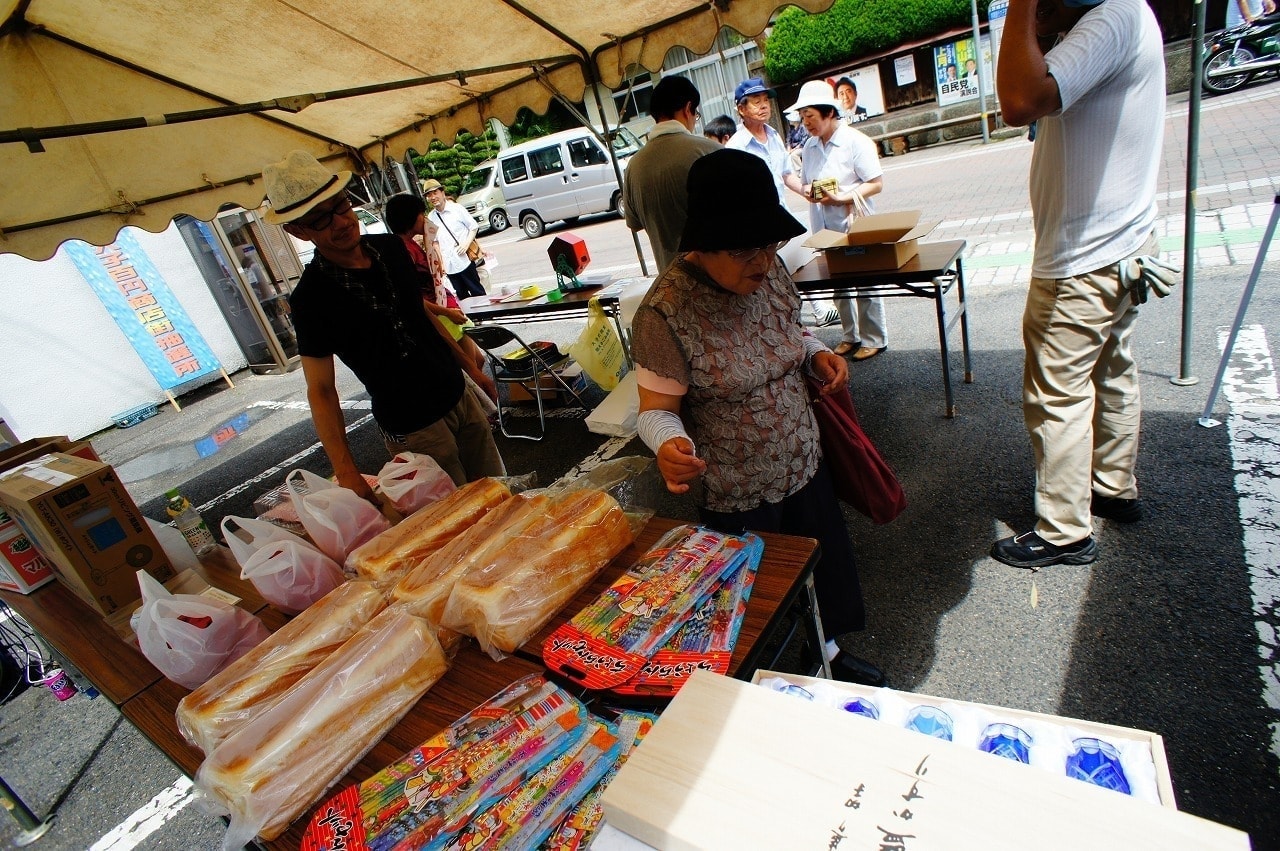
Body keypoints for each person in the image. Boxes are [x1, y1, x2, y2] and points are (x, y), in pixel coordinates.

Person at [631, 148, 885, 686]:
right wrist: (668, 447)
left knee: (823, 570)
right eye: (745, 249)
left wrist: (816, 353)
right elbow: (655, 411)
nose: (763, 261)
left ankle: (827, 651)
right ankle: (762, 685)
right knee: (754, 601)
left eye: (770, 243)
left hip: (804, 459)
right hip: (738, 487)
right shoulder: (665, 313)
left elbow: (790, 333)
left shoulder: (767, 273)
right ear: (701, 244)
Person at [990, 0, 1166, 569]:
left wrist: (1019, 8)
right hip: (1122, 245)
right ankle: (1113, 485)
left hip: (1083, 258)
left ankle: (1065, 528)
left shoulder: (1112, 16)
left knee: (1057, 394)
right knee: (1113, 367)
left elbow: (1018, 98)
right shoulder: (1125, 16)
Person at [264, 151, 504, 496]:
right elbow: (320, 390)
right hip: (413, 427)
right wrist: (346, 470)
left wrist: (472, 371)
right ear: (297, 231)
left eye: (342, 205)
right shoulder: (311, 298)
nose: (341, 221)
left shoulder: (391, 248)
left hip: (458, 395)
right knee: (457, 522)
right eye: (320, 219)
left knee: (500, 492)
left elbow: (419, 317)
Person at [725, 77, 836, 327]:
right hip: (757, 225)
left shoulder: (774, 135)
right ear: (741, 109)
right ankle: (783, 324)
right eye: (756, 101)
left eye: (765, 100)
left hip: (781, 216)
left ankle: (814, 312)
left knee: (799, 260)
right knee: (770, 275)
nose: (764, 105)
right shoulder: (736, 146)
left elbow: (786, 175)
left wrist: (806, 190)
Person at [790, 80, 887, 361]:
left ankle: (874, 338)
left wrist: (842, 197)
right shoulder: (809, 147)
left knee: (865, 281)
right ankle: (850, 335)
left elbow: (876, 183)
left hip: (855, 223)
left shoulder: (855, 142)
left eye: (810, 116)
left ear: (829, 113)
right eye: (803, 117)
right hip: (825, 227)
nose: (806, 122)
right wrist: (810, 192)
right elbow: (807, 183)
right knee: (839, 282)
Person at [623, 76, 721, 273]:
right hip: (717, 282)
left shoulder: (633, 167)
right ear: (688, 108)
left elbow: (634, 224)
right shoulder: (712, 151)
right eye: (696, 114)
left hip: (670, 290)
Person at [384, 193, 487, 376]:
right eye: (421, 214)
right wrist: (446, 312)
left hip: (446, 310)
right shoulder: (403, 251)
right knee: (471, 369)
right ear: (411, 217)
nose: (424, 219)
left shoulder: (412, 245)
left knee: (477, 361)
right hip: (441, 316)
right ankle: (483, 402)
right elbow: (411, 296)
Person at [424, 179, 486, 299]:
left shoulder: (456, 209)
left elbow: (473, 227)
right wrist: (441, 264)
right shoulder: (431, 217)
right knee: (461, 296)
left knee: (477, 292)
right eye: (429, 195)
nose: (432, 197)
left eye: (435, 192)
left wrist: (466, 244)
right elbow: (435, 242)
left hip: (464, 260)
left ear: (442, 193)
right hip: (449, 264)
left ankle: (487, 316)